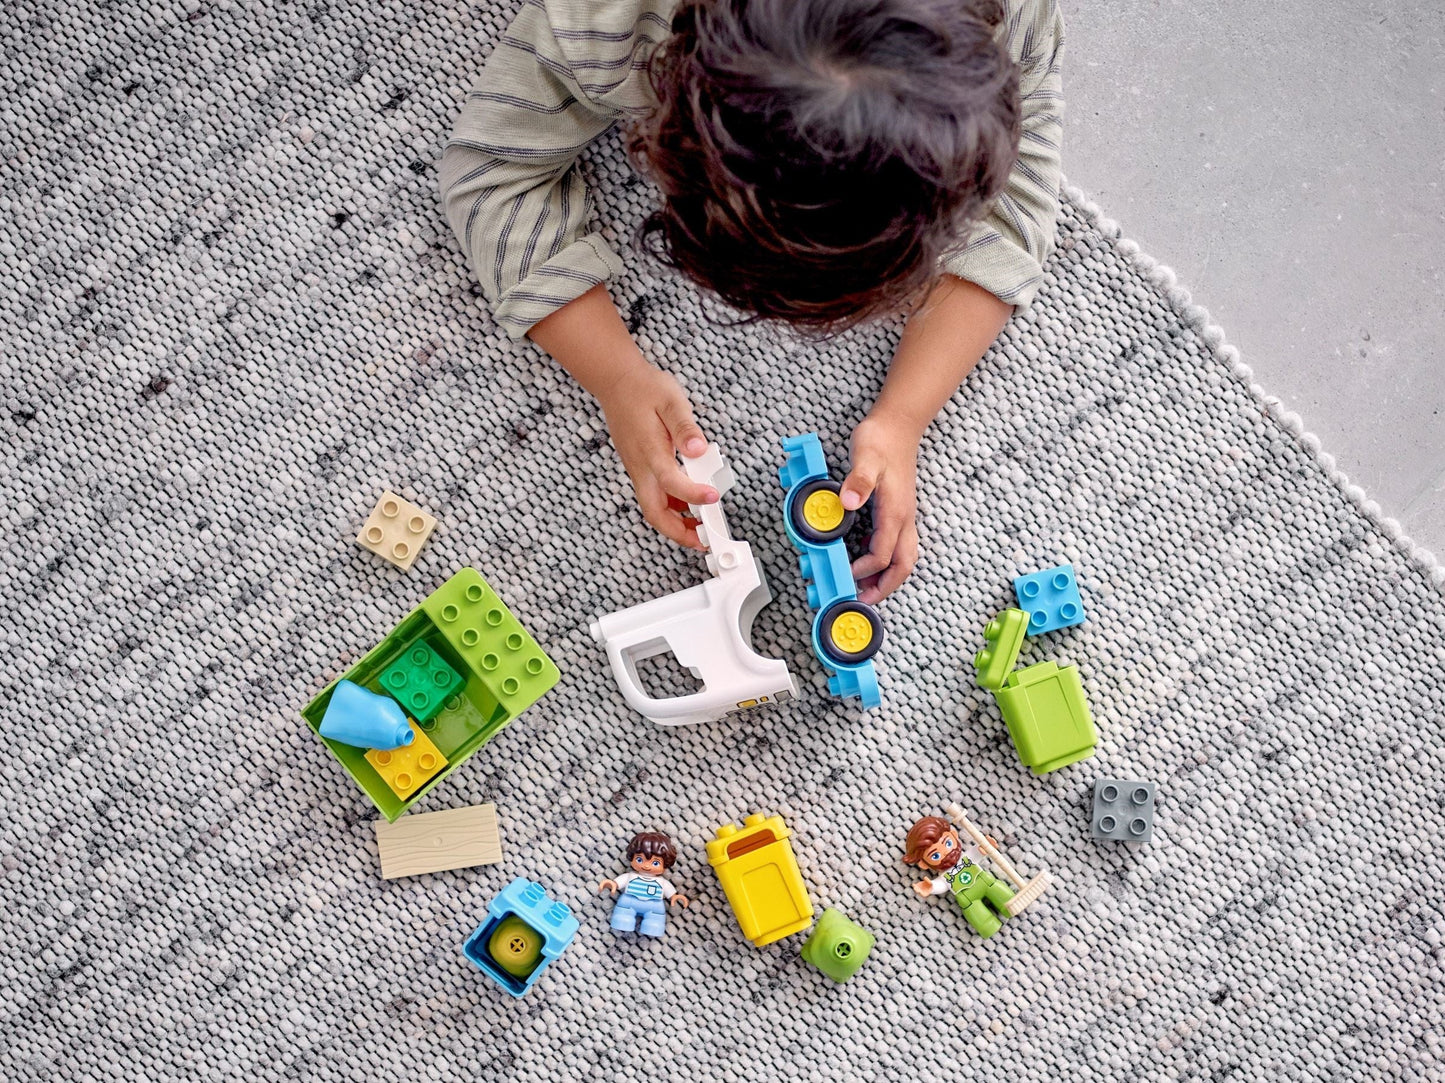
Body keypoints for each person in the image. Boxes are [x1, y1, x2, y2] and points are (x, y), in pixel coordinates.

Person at [441, 0, 1064, 603]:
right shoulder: (603, 22)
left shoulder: (1005, 28)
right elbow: (492, 173)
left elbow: (1016, 211)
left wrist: (904, 416)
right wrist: (615, 376)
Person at [903, 814, 1014, 938]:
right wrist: (930, 887)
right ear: (924, 864)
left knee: (998, 890)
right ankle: (988, 925)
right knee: (976, 913)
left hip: (986, 883)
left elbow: (976, 853)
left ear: (954, 835)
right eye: (935, 856)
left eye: (948, 843)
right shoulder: (944, 876)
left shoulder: (966, 858)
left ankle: (1010, 903)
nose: (946, 853)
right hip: (969, 900)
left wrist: (984, 847)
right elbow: (940, 885)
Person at [598, 830, 690, 937]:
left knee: (654, 923)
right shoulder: (630, 876)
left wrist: (674, 896)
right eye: (640, 860)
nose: (646, 866)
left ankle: (653, 926)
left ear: (666, 864)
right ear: (632, 858)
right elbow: (617, 883)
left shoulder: (662, 882)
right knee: (622, 917)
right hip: (628, 902)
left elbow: (669, 891)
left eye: (655, 863)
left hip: (654, 906)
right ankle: (622, 921)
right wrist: (612, 884)